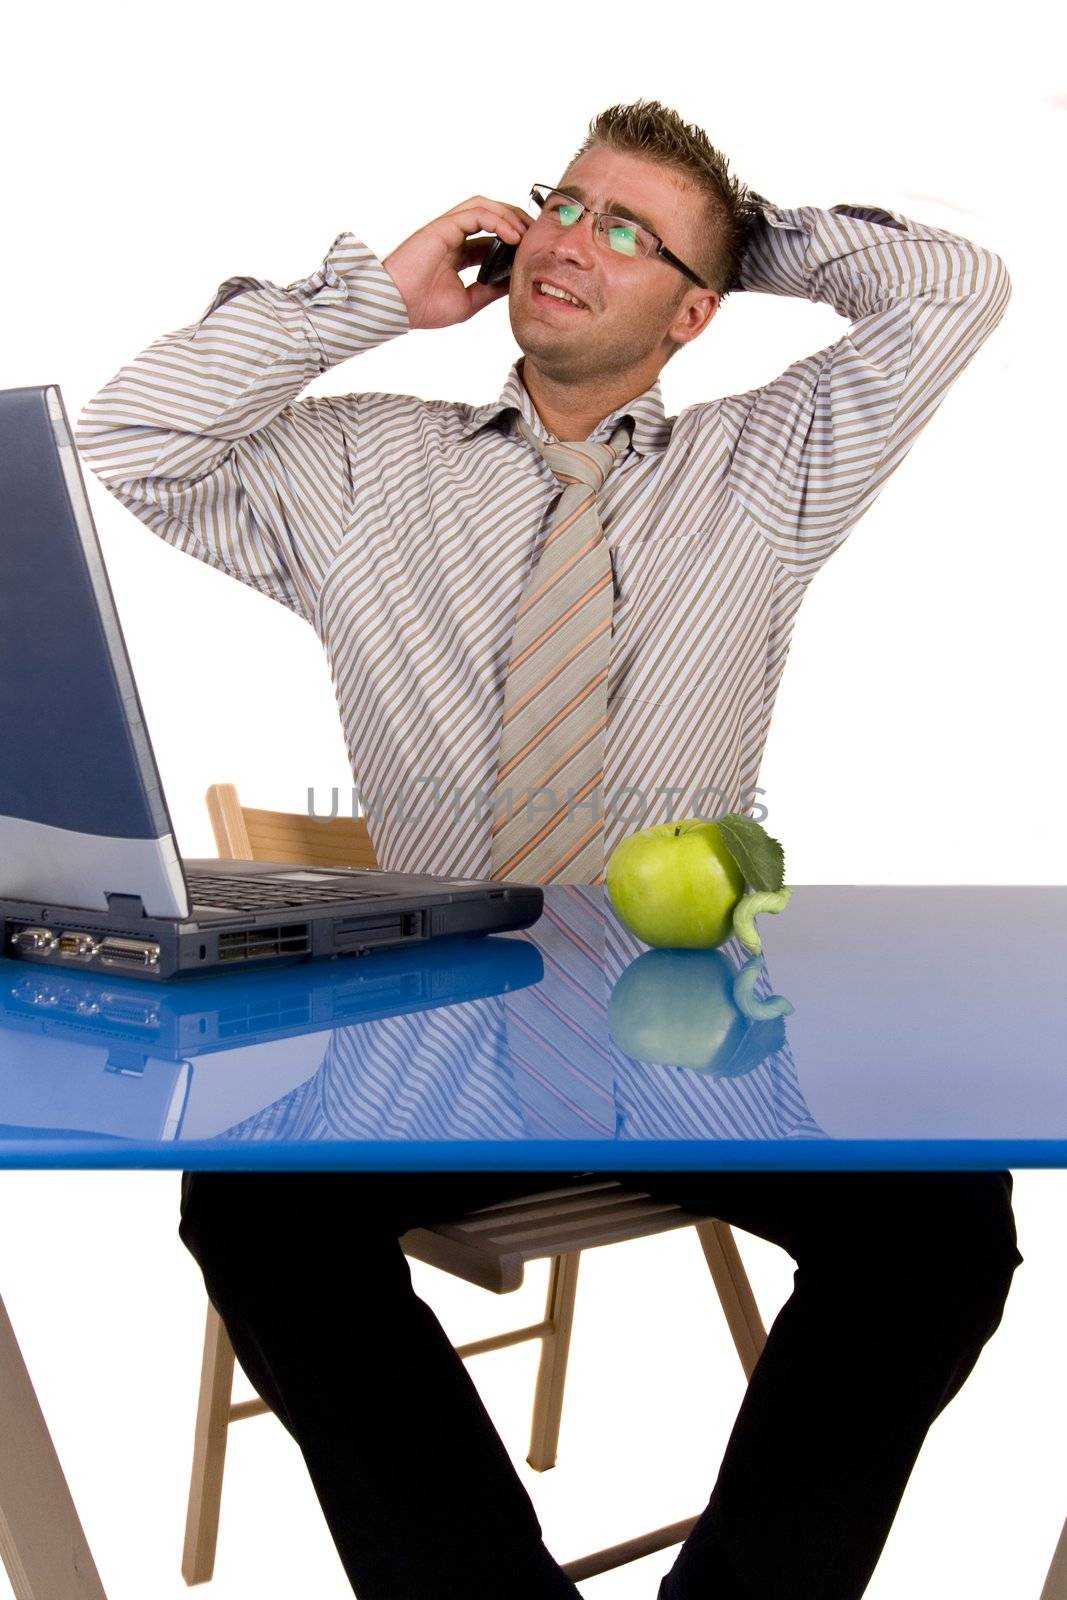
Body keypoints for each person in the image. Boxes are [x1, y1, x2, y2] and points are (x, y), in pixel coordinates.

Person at [76, 98, 1021, 1600]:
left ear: (699, 312)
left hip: (693, 1038)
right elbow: (127, 433)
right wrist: (374, 299)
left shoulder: (771, 471)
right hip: (435, 1034)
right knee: (247, 1209)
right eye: (563, 207)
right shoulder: (360, 473)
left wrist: (723, 235)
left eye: (626, 235)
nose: (574, 239)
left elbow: (958, 286)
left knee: (945, 1232)